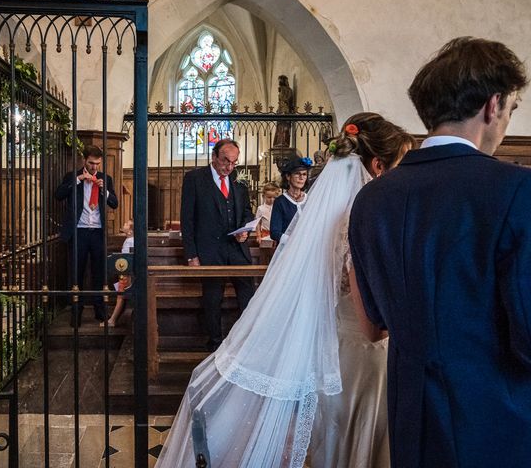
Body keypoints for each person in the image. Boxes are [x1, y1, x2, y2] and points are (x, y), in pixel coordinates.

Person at [156, 113, 413, 468]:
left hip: (328, 348)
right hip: (360, 358)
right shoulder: (361, 216)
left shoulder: (330, 214)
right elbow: (371, 323)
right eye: (399, 164)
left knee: (331, 442)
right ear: (379, 165)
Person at [349, 37, 531, 468]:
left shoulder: (372, 199)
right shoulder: (516, 190)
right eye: (511, 110)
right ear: (493, 104)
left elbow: (374, 317)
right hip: (498, 420)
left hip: (411, 417)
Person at [180, 138, 255, 351]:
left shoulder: (239, 182)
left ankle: (244, 342)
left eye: (234, 163)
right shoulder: (195, 179)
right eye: (225, 161)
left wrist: (245, 230)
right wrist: (191, 255)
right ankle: (215, 344)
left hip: (237, 248)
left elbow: (247, 211)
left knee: (248, 295)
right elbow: (187, 219)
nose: (229, 167)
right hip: (210, 250)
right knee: (213, 298)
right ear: (214, 157)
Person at [55, 145, 118, 327]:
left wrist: (104, 190)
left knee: (99, 273)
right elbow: (58, 195)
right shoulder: (72, 177)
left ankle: (100, 312)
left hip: (97, 232)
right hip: (79, 232)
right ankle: (76, 313)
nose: (94, 167)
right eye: (91, 163)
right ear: (84, 160)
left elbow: (114, 203)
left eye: (97, 164)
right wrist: (78, 179)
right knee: (77, 273)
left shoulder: (106, 179)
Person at [270, 155, 312, 243]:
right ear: (288, 176)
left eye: (304, 174)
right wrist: (293, 242)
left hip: (309, 248)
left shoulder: (310, 200)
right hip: (287, 250)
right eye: (297, 174)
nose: (301, 178)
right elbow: (274, 232)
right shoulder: (280, 202)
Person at [106, 220, 134, 328]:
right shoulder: (128, 240)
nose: (123, 225)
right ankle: (113, 319)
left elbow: (127, 259)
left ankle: (112, 320)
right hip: (124, 272)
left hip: (126, 273)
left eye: (126, 224)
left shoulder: (130, 241)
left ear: (130, 231)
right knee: (120, 296)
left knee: (120, 296)